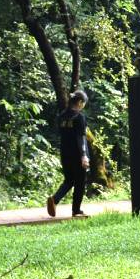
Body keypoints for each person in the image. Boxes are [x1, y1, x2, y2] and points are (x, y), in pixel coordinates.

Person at [46, 90, 91, 218]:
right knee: (80, 182)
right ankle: (76, 210)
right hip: (77, 154)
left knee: (69, 180)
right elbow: (81, 137)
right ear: (80, 102)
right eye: (83, 103)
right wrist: (84, 155)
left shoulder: (61, 116)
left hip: (65, 153)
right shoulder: (79, 117)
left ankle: (55, 199)